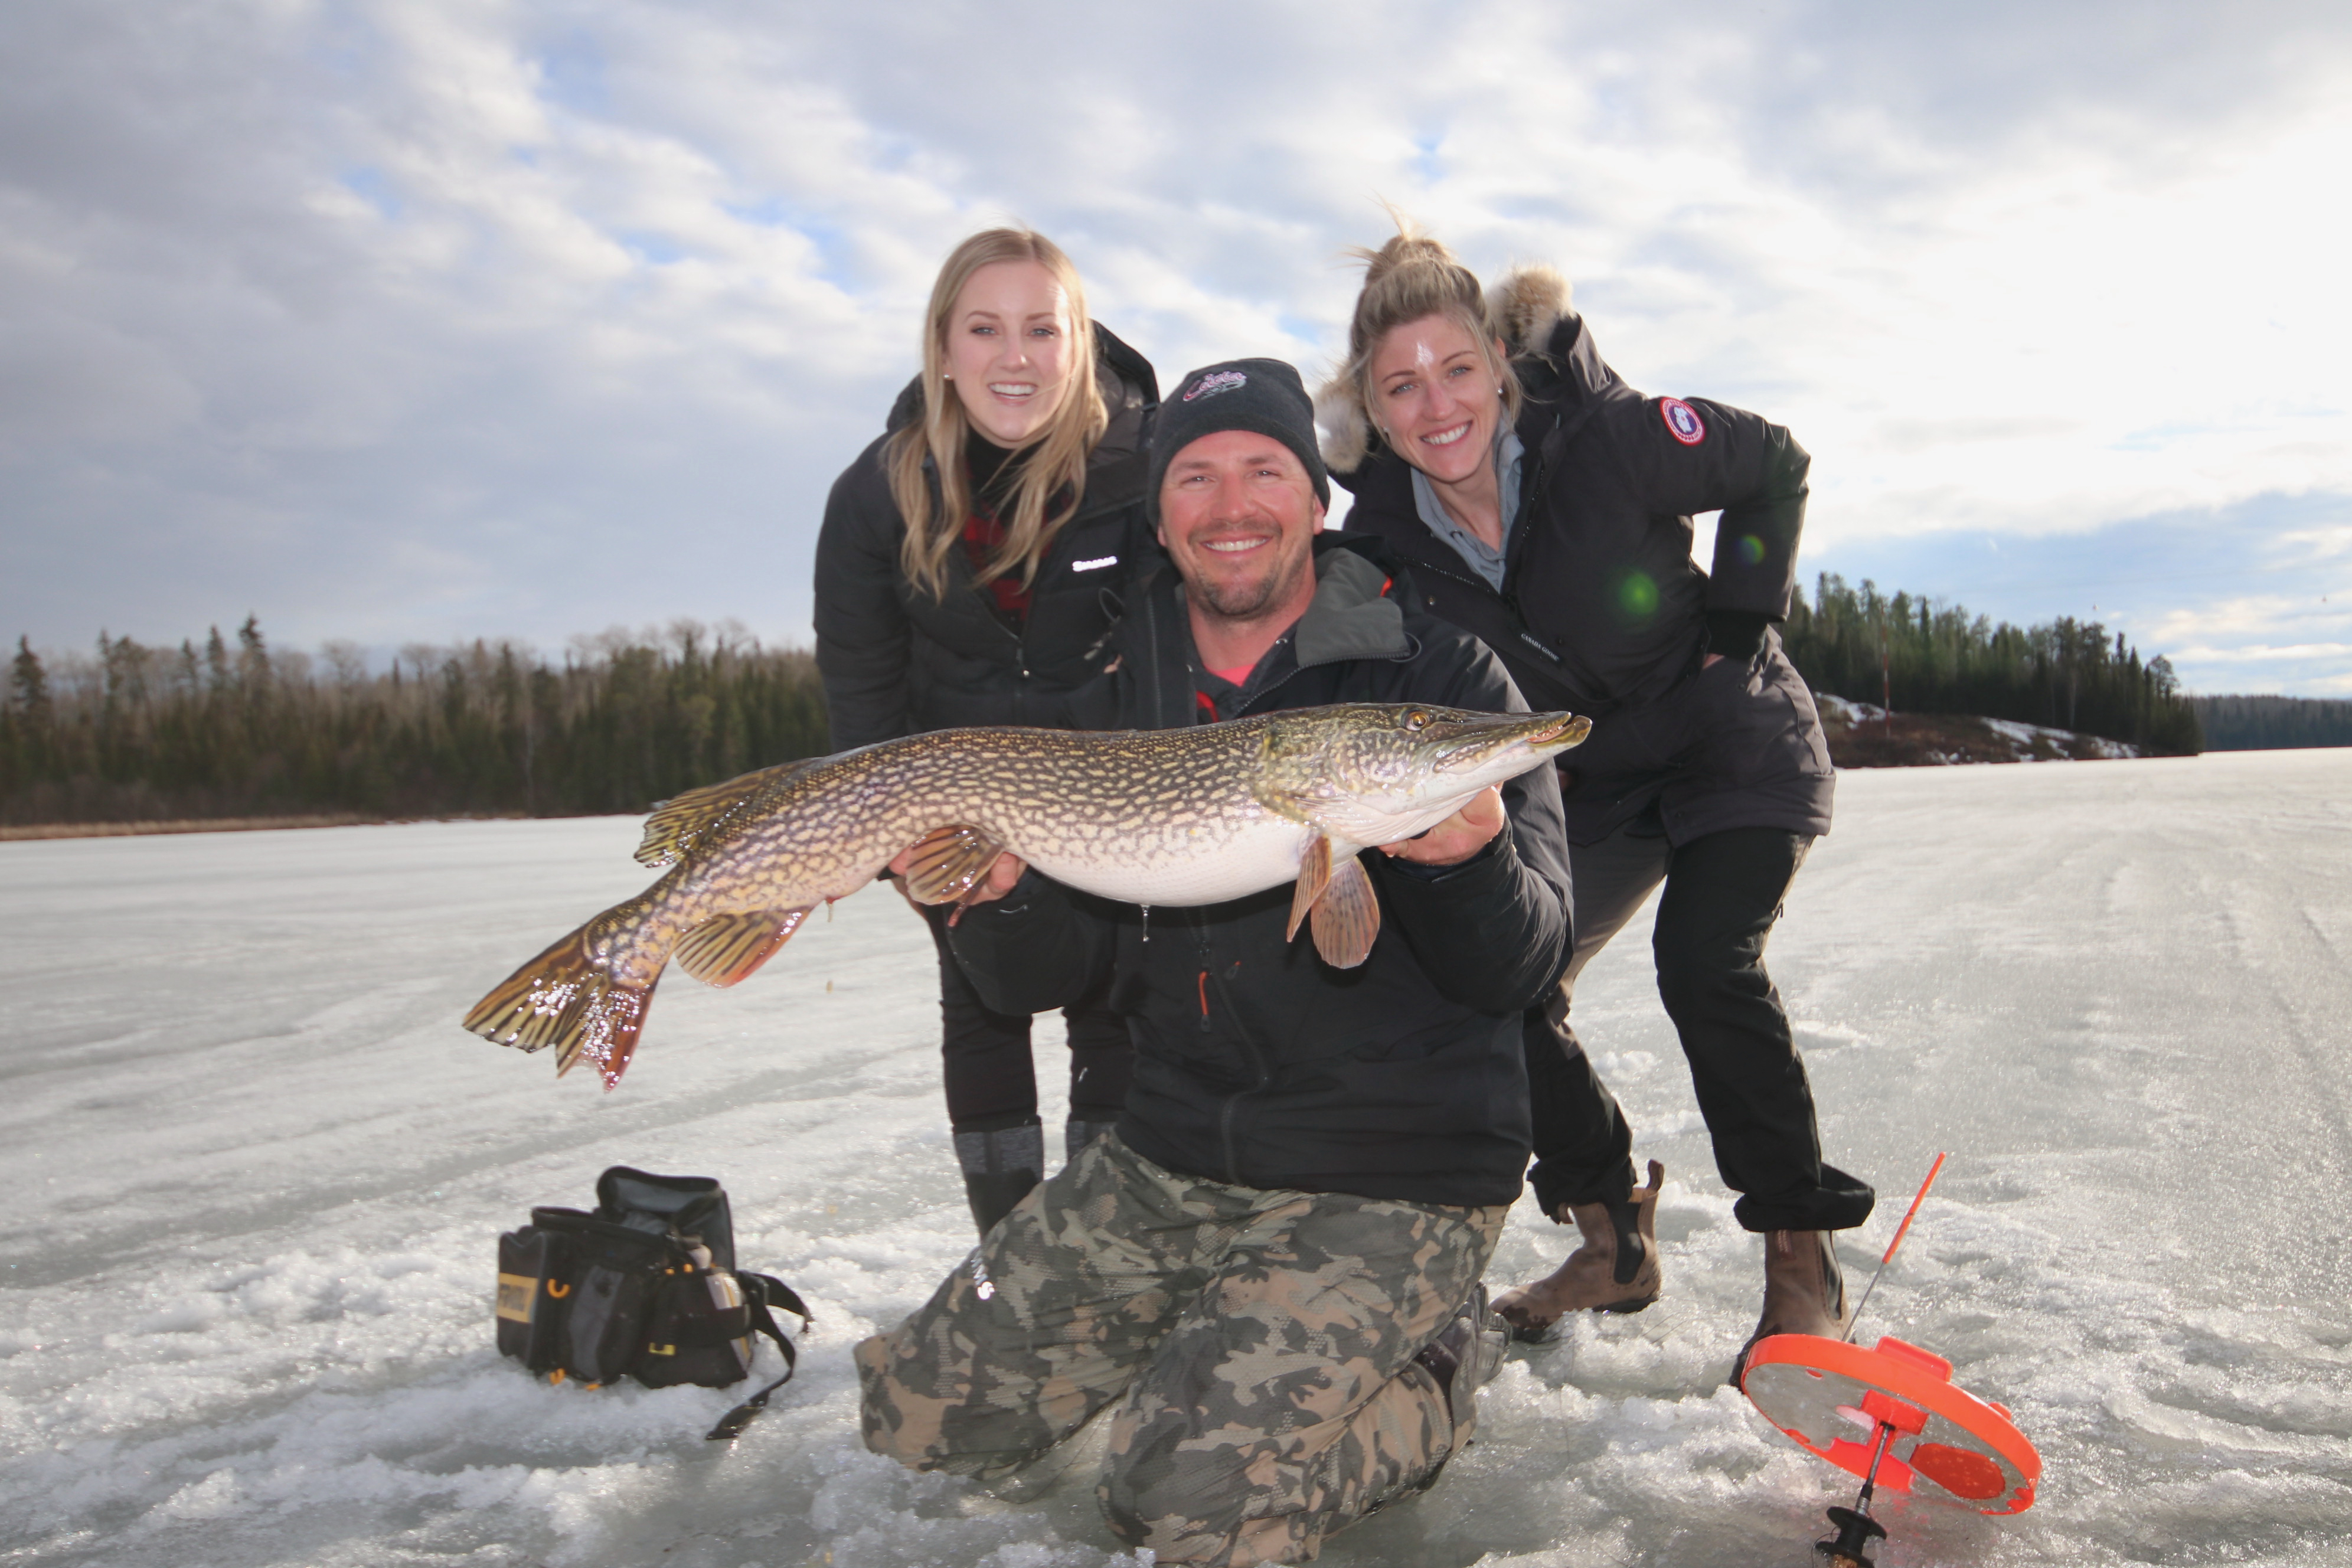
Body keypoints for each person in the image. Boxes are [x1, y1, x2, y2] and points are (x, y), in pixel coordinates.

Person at [854, 360, 1575, 1564]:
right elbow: (1049, 978)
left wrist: (1463, 863)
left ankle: (1438, 1359)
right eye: (1196, 472)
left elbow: (1528, 963)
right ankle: (1210, 1323)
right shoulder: (1104, 701)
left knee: (1181, 1497)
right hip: (1174, 1148)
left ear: (1314, 497)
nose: (1230, 501)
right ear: (1161, 510)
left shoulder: (1438, 682)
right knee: (915, 1419)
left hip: (1395, 1165)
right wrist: (996, 899)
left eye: (1264, 468)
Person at [1315, 226, 1873, 1367]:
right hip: (1594, 788)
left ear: (1498, 365)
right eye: (1402, 387)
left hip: (1735, 744)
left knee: (1705, 961)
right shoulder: (1379, 540)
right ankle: (1612, 1235)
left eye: (1457, 370)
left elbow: (1774, 463)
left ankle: (1801, 1257)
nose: (1437, 407)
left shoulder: (1608, 435)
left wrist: (1741, 620)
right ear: (1371, 409)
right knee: (1505, 989)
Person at [814, 228, 1156, 1236]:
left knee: (1117, 1012)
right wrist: (898, 842)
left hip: (1112, 805)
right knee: (982, 1012)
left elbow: (1176, 655)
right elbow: (863, 696)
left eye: (1042, 329)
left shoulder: (1141, 467)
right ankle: (1008, 1263)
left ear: (1079, 342)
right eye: (985, 328)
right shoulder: (875, 493)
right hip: (950, 808)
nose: (1015, 356)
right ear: (944, 347)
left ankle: (1101, 1253)